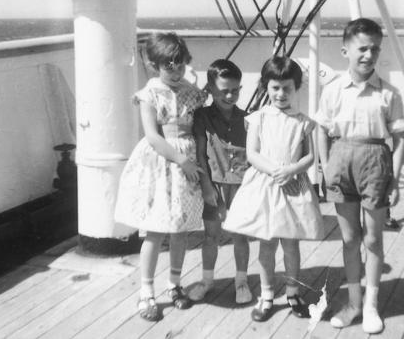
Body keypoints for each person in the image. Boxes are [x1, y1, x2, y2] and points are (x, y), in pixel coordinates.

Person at [315, 18, 404, 333]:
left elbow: (399, 139)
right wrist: (325, 166)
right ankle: (353, 302)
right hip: (341, 162)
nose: (369, 54)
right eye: (362, 48)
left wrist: (395, 178)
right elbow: (322, 130)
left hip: (375, 165)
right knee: (350, 238)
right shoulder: (333, 91)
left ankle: (370, 306)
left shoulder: (389, 93)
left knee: (373, 238)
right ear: (345, 50)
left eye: (375, 48)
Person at [114, 32, 208, 322]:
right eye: (169, 66)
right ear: (155, 65)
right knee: (156, 230)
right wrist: (182, 160)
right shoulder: (150, 93)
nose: (176, 71)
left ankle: (174, 284)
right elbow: (153, 137)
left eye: (180, 65)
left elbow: (199, 127)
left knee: (180, 230)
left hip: (187, 167)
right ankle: (146, 291)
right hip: (163, 165)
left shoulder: (191, 92)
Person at [224, 56, 325, 322]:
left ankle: (293, 292)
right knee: (266, 245)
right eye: (275, 88)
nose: (281, 94)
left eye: (287, 88)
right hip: (265, 187)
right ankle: (267, 295)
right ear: (265, 87)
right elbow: (252, 153)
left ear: (296, 88)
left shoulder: (303, 122)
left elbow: (309, 157)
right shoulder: (258, 118)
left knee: (291, 244)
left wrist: (291, 170)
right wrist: (274, 171)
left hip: (293, 187)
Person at [188, 59, 252, 304]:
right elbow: (200, 154)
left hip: (241, 187)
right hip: (213, 186)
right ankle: (206, 281)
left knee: (240, 237)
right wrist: (206, 186)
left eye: (235, 89)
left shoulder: (247, 119)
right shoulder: (202, 117)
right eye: (224, 90)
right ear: (211, 89)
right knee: (210, 237)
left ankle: (242, 281)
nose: (230, 94)